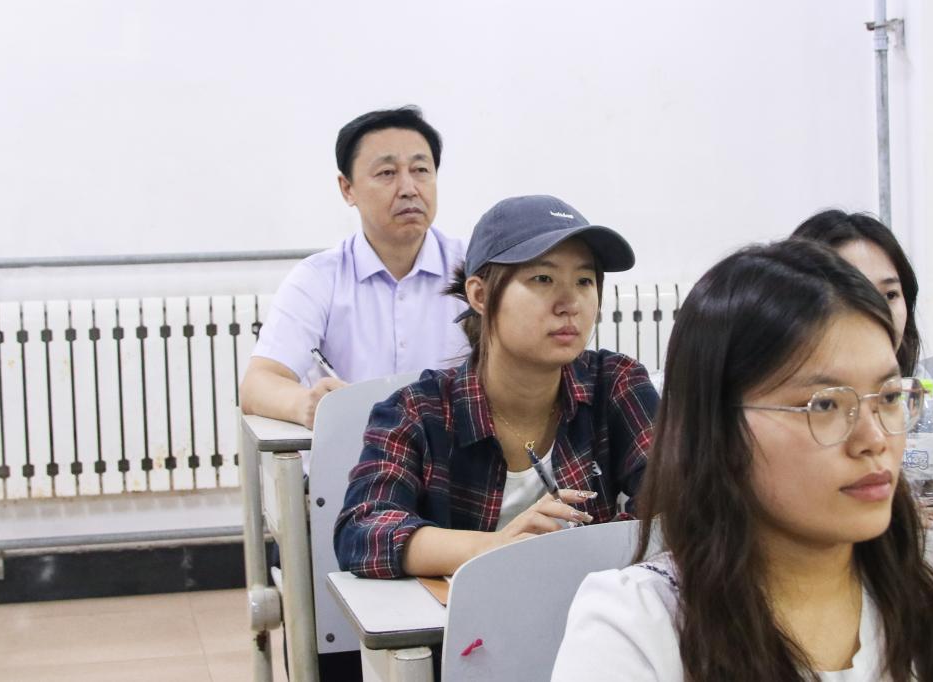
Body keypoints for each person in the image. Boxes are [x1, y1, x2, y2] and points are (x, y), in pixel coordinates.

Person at [552, 240, 933, 680]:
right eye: (825, 405)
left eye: (888, 397)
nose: (874, 440)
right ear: (718, 428)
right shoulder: (638, 629)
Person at [334, 195, 660, 579]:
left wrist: (577, 553)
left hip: (588, 610)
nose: (570, 303)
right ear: (480, 295)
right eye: (543, 279)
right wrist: (497, 547)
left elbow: (678, 500)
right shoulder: (418, 411)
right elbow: (363, 531)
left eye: (584, 281)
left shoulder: (615, 382)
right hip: (463, 617)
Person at [240, 106, 467, 427]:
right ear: (348, 189)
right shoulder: (319, 278)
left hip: (451, 454)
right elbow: (258, 384)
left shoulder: (473, 269)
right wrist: (308, 404)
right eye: (387, 173)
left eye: (420, 170)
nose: (408, 188)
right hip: (352, 455)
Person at [793, 210, 933, 518]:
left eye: (890, 294)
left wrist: (929, 512)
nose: (879, 312)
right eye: (854, 294)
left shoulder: (915, 384)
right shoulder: (791, 398)